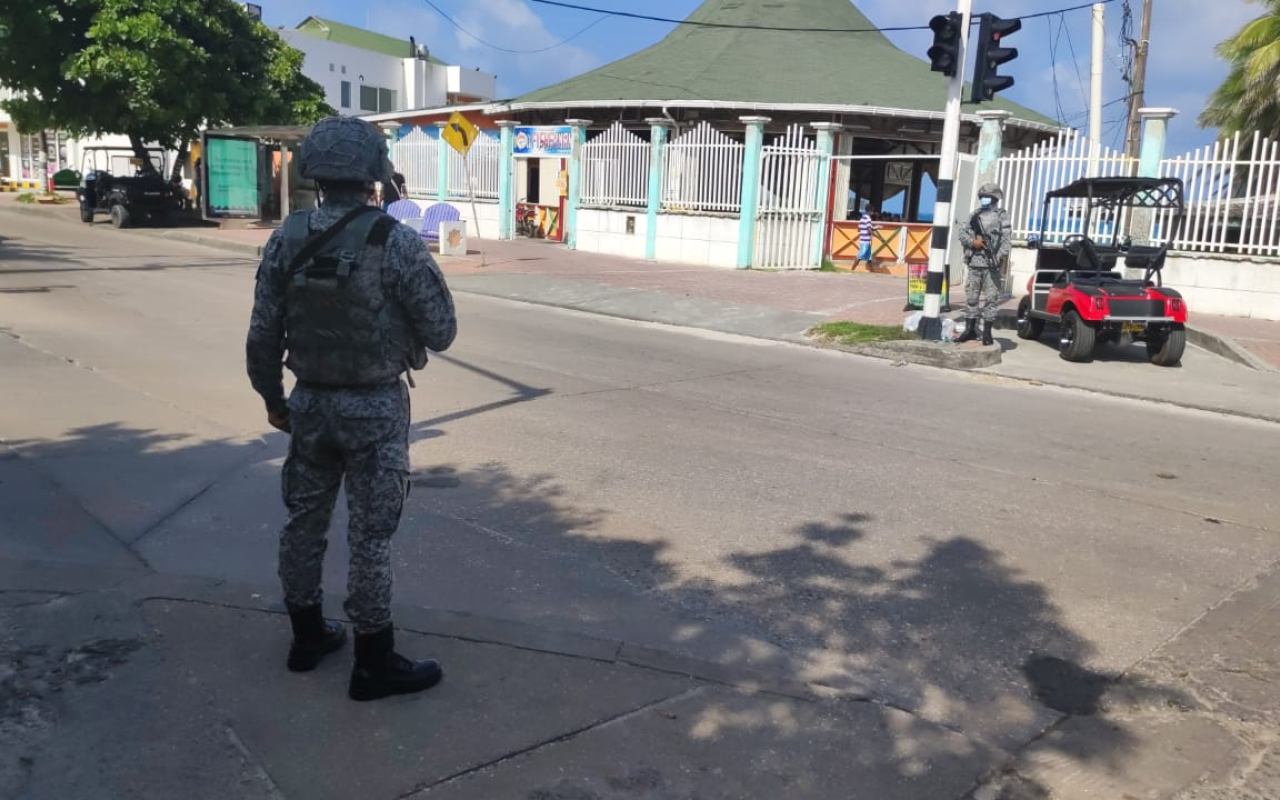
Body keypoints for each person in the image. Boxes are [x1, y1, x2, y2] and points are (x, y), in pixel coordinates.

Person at [245, 116, 458, 702]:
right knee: (369, 537)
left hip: (309, 405)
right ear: (374, 175)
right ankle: (373, 660)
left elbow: (262, 334)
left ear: (314, 173)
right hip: (375, 409)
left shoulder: (285, 237)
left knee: (303, 522)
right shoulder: (393, 240)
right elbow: (441, 332)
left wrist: (274, 401)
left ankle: (307, 637)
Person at [956, 183, 1011, 345]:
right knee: (971, 297)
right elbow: (962, 233)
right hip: (974, 262)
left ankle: (987, 332)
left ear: (994, 198)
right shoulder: (974, 214)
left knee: (991, 299)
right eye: (983, 196)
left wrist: (997, 256)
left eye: (987, 196)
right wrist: (974, 243)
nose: (984, 199)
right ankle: (970, 329)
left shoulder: (1002, 215)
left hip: (991, 265)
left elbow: (1006, 240)